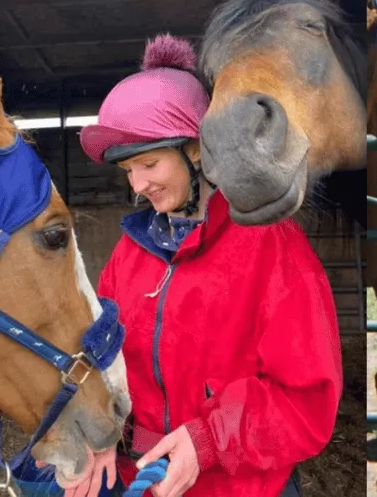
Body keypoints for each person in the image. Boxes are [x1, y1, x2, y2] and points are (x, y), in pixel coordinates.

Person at [57, 33, 344, 497]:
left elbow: (307, 400)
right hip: (146, 481)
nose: (137, 186)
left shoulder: (272, 246)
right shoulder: (129, 253)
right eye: (128, 171)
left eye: (149, 164)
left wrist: (207, 439)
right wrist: (101, 433)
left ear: (195, 150)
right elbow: (105, 360)